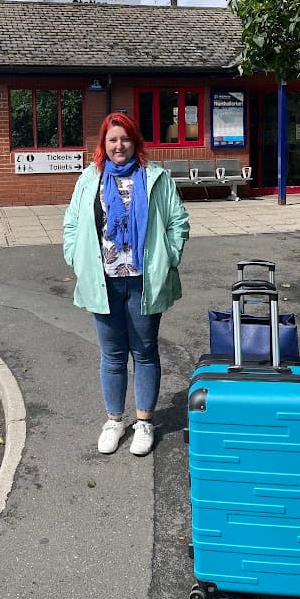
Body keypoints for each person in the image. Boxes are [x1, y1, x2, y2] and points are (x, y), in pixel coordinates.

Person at [63, 112, 189, 456]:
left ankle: (145, 422)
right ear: (104, 144)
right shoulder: (90, 179)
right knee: (112, 355)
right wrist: (76, 258)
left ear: (135, 142)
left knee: (145, 352)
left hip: (142, 280)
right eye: (112, 139)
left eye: (125, 139)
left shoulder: (155, 178)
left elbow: (178, 221)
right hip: (103, 280)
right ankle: (115, 421)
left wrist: (170, 257)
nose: (119, 145)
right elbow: (72, 224)